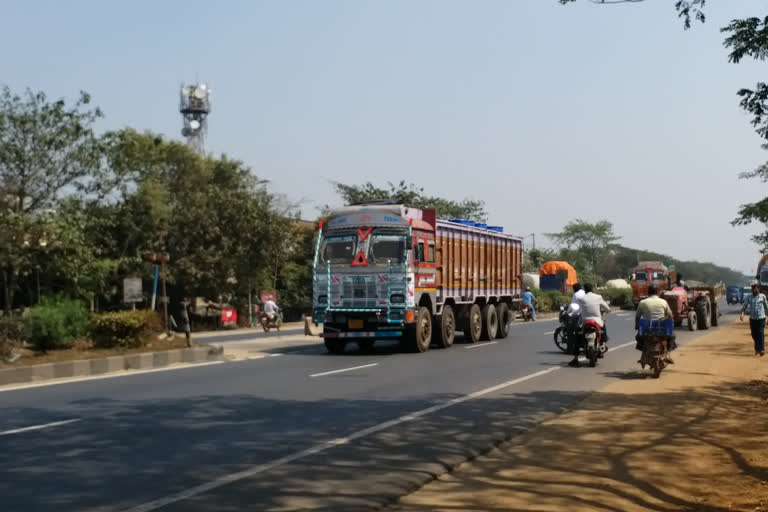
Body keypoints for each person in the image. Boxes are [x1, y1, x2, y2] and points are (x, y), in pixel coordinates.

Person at [568, 283, 610, 367]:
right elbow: (607, 309)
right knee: (603, 328)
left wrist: (571, 314)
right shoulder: (598, 297)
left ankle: (575, 358)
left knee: (577, 336)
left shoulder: (581, 298)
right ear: (592, 289)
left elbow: (577, 311)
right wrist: (606, 310)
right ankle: (603, 344)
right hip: (597, 321)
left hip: (584, 322)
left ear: (585, 290)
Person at [635, 284, 674, 362]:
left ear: (648, 292)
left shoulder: (643, 302)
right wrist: (671, 323)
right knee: (672, 337)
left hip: (647, 329)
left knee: (638, 338)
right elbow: (670, 315)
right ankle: (668, 355)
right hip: (661, 329)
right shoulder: (663, 302)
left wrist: (636, 325)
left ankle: (644, 353)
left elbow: (638, 316)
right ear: (658, 292)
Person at [740, 284, 768, 356]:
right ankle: (757, 349)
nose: (755, 291)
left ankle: (761, 349)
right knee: (754, 334)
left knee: (760, 333)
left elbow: (766, 307)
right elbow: (745, 305)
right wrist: (742, 314)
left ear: (759, 289)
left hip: (761, 318)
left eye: (756, 289)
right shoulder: (748, 297)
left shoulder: (762, 297)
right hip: (753, 319)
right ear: (752, 290)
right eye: (754, 289)